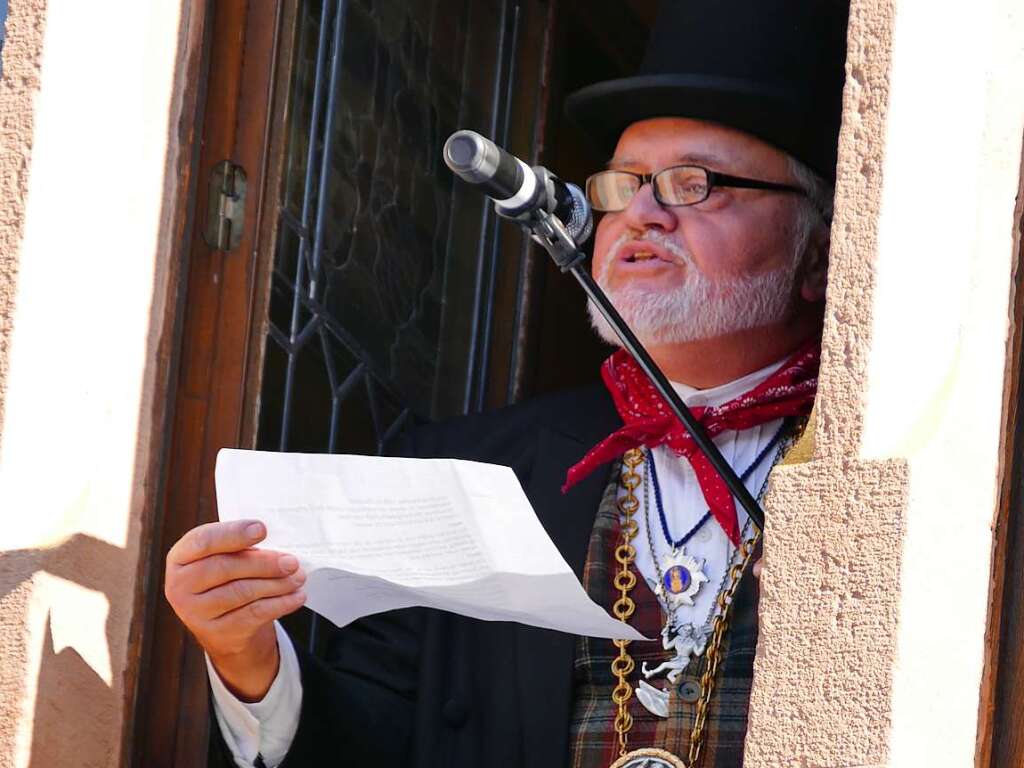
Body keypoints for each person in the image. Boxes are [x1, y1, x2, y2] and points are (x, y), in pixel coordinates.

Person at [164, 2, 849, 766]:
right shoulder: (466, 469)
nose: (642, 215)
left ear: (819, 256)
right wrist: (248, 659)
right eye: (622, 186)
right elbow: (370, 742)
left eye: (694, 185)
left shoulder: (866, 473)